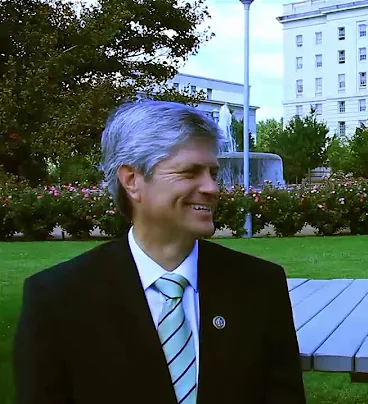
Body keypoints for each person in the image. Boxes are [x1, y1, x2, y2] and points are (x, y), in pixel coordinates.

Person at [13, 101, 307, 404]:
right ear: (132, 181)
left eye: (212, 173)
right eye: (190, 172)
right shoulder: (57, 298)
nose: (212, 188)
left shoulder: (260, 285)